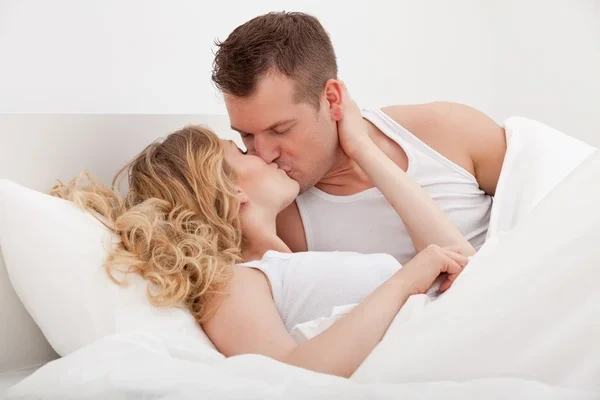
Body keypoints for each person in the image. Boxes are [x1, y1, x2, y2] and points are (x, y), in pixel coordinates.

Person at [52, 92, 474, 378]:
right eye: (243, 149)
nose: (263, 153)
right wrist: (404, 281)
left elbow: (462, 258)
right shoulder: (231, 283)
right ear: (230, 190)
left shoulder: (290, 263)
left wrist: (362, 147)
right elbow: (286, 377)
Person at [211, 11, 507, 264]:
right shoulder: (281, 220)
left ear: (332, 99)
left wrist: (362, 149)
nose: (263, 154)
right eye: (246, 135)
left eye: (280, 130)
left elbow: (536, 218)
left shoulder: (445, 131)